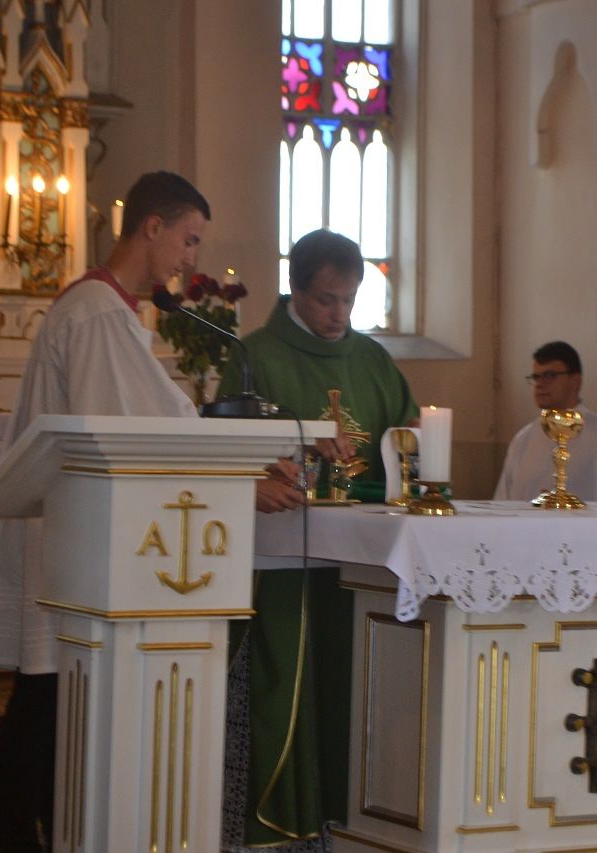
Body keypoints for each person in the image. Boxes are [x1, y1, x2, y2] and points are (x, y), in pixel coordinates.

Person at [0, 171, 209, 852]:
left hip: (74, 532)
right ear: (152, 227)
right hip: (70, 537)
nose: (190, 259)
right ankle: (21, 838)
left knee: (45, 703)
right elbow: (133, 424)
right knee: (41, 705)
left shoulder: (106, 308)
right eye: (188, 239)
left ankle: (36, 834)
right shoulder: (98, 312)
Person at [215, 228, 418, 849]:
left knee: (353, 690)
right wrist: (291, 455)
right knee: (287, 694)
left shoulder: (372, 359)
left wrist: (402, 448)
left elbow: (407, 439)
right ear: (295, 290)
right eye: (327, 300)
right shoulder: (255, 356)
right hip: (284, 558)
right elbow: (227, 458)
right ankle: (280, 828)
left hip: (363, 564)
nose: (339, 315)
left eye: (349, 300)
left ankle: (352, 825)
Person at [494, 340, 597, 503]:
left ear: (575, 380)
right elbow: (502, 501)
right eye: (536, 377)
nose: (540, 384)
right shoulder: (523, 439)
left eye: (550, 375)